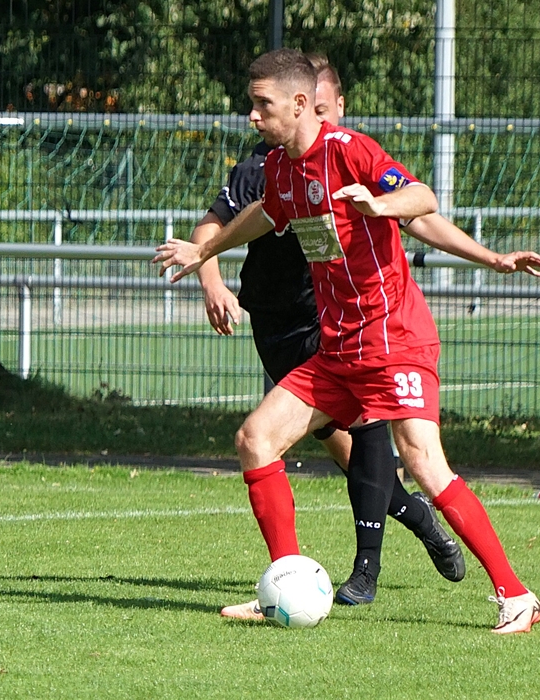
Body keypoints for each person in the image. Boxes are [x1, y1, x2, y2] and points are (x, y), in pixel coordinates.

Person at [155, 48, 540, 633]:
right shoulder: (281, 169)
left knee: (423, 462)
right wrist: (205, 250)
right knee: (256, 439)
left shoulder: (350, 150)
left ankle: (516, 596)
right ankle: (285, 582)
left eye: (263, 104)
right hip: (338, 347)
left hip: (393, 340)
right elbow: (265, 215)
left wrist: (383, 205)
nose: (253, 116)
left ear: (299, 103)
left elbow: (421, 199)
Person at [189, 54, 467, 609]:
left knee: (367, 431)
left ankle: (365, 569)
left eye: (325, 107)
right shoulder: (263, 168)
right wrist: (211, 280)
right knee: (342, 451)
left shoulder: (346, 159)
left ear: (332, 107)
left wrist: (485, 256)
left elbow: (417, 211)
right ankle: (417, 518)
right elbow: (213, 227)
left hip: (331, 320)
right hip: (276, 327)